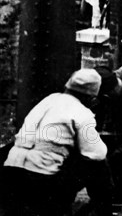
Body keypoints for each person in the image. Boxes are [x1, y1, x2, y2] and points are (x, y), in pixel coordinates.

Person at [3, 69, 113, 216]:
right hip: (42, 177)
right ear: (92, 97)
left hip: (11, 169)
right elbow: (96, 153)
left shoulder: (48, 100)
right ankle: (103, 211)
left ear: (67, 86)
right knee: (99, 165)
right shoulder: (82, 113)